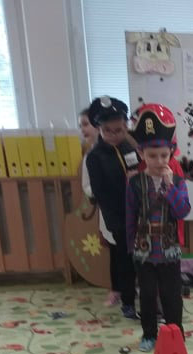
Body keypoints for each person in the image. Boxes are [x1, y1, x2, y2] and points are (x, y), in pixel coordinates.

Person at [126, 104, 191, 352]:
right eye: (152, 156)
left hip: (168, 249)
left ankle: (175, 332)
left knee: (171, 294)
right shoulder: (135, 183)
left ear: (171, 153)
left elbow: (182, 211)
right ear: (142, 154)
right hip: (143, 250)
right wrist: (130, 246)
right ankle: (149, 334)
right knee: (147, 295)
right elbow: (130, 215)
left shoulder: (177, 181)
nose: (159, 161)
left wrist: (170, 187)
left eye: (164, 155)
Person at [86, 96, 140, 319]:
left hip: (137, 213)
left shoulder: (129, 147)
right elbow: (100, 193)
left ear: (125, 126)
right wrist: (115, 220)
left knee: (135, 256)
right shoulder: (95, 157)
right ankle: (127, 301)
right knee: (123, 258)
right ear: (99, 129)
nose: (114, 135)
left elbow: (138, 172)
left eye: (119, 130)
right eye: (108, 131)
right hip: (117, 216)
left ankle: (135, 292)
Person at [79, 107, 119, 306]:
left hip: (127, 210)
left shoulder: (121, 150)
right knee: (115, 251)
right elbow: (87, 185)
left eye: (86, 124)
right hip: (108, 210)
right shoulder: (92, 156)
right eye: (81, 126)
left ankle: (134, 287)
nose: (83, 129)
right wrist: (101, 193)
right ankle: (116, 289)